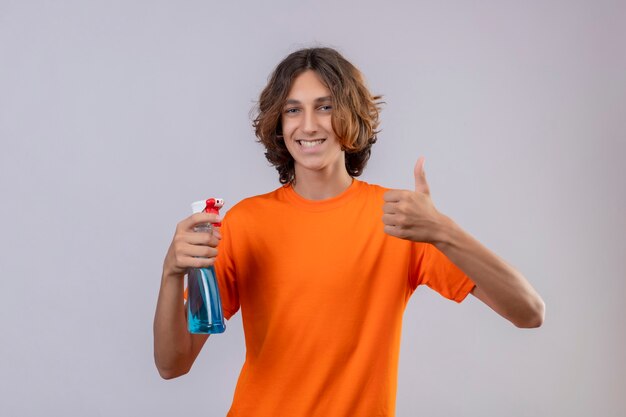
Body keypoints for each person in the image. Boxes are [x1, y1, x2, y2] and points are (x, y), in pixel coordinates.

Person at [153, 47, 545, 416]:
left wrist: (442, 231)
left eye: (325, 107)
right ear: (279, 122)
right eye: (293, 110)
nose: (309, 125)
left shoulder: (400, 219)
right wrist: (172, 271)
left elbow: (528, 312)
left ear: (351, 115)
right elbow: (173, 364)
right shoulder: (245, 223)